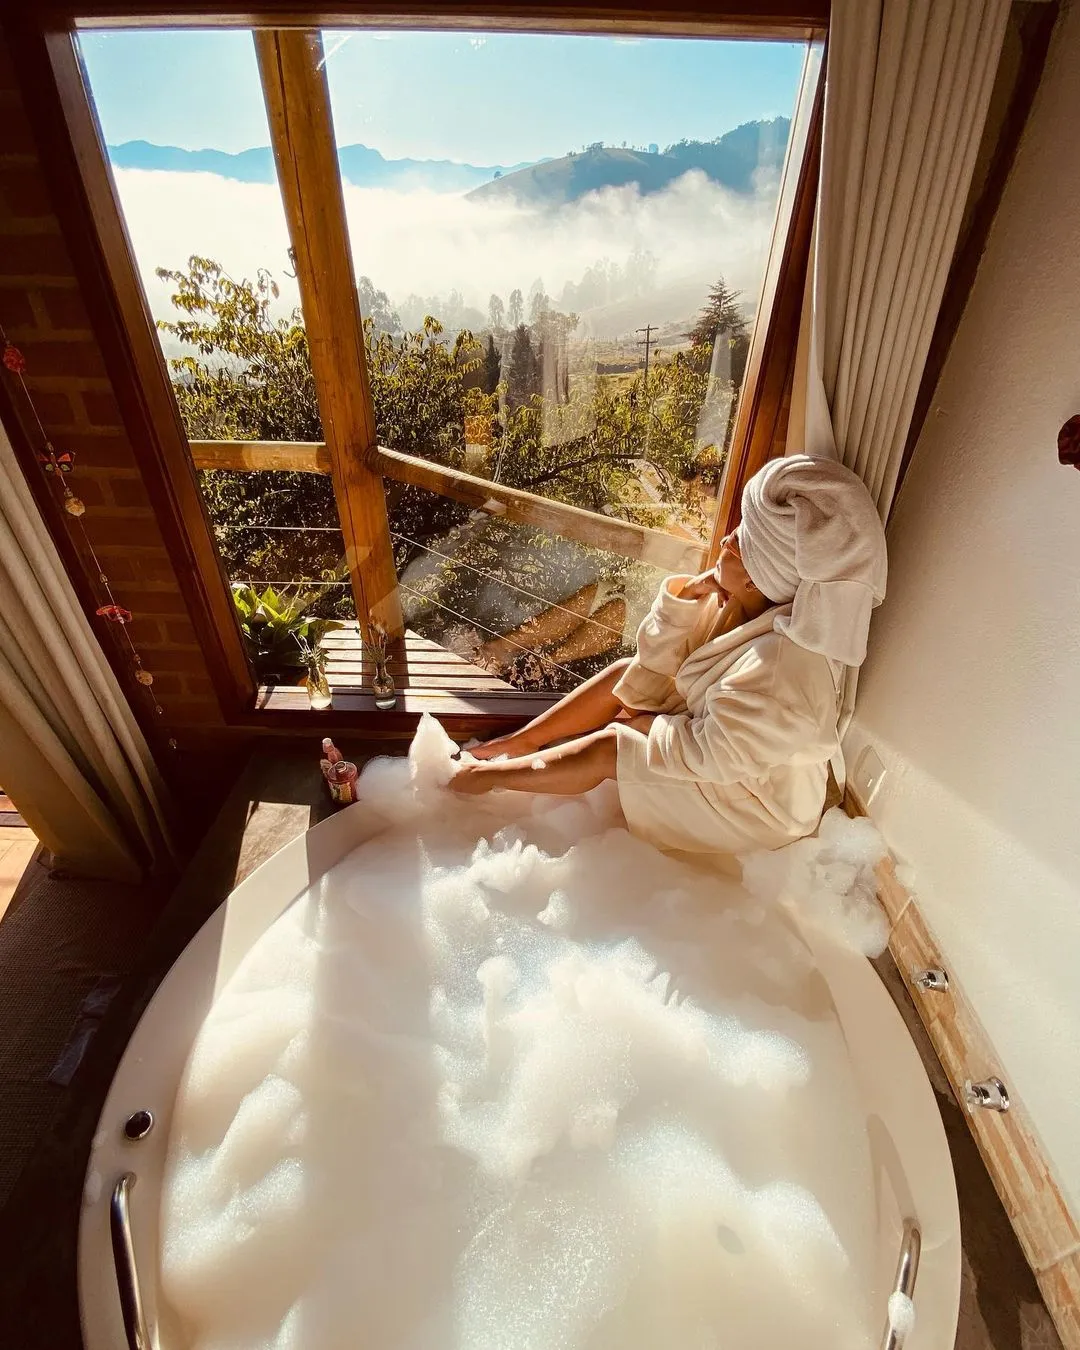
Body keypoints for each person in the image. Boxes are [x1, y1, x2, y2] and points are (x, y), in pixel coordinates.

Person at [451, 454, 887, 857]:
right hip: (729, 756)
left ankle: (480, 780)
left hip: (755, 806)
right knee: (623, 675)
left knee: (610, 746)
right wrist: (685, 600)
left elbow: (715, 757)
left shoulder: (782, 668)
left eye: (738, 544)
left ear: (758, 577)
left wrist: (646, 726)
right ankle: (520, 742)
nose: (726, 537)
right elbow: (651, 667)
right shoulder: (738, 606)